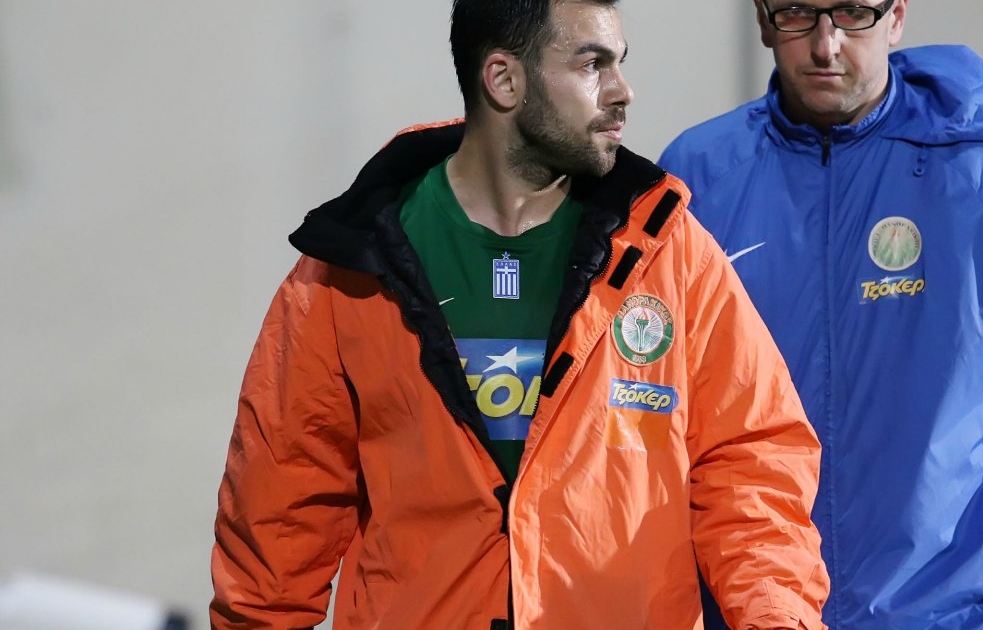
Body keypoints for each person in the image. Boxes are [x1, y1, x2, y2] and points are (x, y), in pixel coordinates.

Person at [209, 1, 831, 629]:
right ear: (504, 80)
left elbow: (753, 467)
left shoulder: (669, 251)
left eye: (619, 63)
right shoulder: (351, 266)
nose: (623, 91)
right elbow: (279, 511)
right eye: (592, 64)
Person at [658, 1, 983, 629]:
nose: (826, 45)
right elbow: (650, 420)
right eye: (798, 14)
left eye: (852, 12)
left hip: (956, 613)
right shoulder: (697, 178)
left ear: (895, 17)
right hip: (758, 613)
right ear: (762, 18)